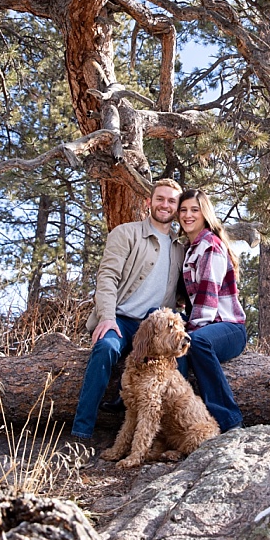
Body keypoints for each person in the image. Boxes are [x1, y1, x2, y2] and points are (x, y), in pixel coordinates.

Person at [70, 178, 188, 442]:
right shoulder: (126, 233)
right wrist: (107, 318)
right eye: (160, 199)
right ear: (149, 202)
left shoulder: (180, 249)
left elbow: (183, 291)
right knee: (106, 349)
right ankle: (81, 432)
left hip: (155, 326)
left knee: (179, 361)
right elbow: (108, 276)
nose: (165, 205)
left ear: (177, 208)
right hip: (121, 319)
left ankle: (170, 435)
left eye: (171, 201)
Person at [175, 188, 247, 432]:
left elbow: (206, 302)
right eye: (183, 210)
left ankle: (229, 420)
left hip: (228, 328)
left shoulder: (210, 247)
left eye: (194, 210)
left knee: (196, 342)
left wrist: (185, 333)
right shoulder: (190, 248)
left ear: (205, 214)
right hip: (205, 325)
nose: (188, 215)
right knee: (167, 331)